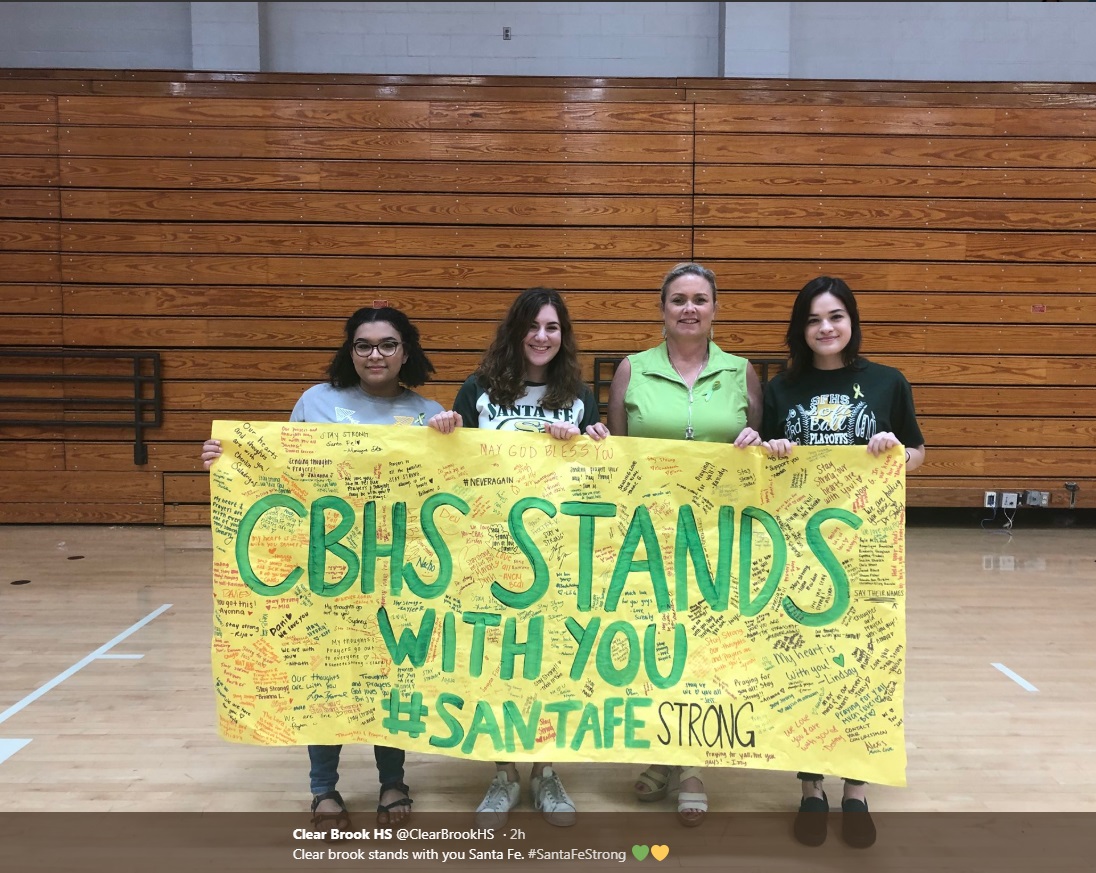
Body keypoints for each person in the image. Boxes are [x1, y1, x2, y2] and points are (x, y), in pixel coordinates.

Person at [201, 304, 443, 837]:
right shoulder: (316, 401)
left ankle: (392, 781)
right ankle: (323, 787)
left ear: (406, 351)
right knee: (325, 676)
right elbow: (281, 476)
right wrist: (228, 458)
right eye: (363, 345)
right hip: (325, 571)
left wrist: (453, 434)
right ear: (349, 350)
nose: (374, 354)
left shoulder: (429, 412)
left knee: (387, 677)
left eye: (386, 344)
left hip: (394, 573)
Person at [428, 286, 608, 829]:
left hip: (558, 557)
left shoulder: (577, 395)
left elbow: (599, 475)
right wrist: (442, 432)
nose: (541, 336)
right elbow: (449, 464)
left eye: (552, 328)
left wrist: (592, 440)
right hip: (489, 555)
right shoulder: (479, 390)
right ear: (515, 332)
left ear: (563, 336)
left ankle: (546, 772)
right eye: (532, 326)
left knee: (550, 663)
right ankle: (504, 774)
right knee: (497, 665)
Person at [760, 275, 925, 850]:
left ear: (851, 321)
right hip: (799, 551)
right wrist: (771, 450)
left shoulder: (887, 382)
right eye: (813, 319)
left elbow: (919, 452)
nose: (825, 328)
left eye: (835, 316)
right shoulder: (782, 388)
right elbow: (764, 467)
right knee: (804, 665)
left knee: (862, 665)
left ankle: (855, 790)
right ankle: (810, 788)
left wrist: (896, 453)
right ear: (800, 329)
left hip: (867, 550)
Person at [605, 261, 763, 827]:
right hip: (648, 537)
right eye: (678, 300)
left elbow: (762, 457)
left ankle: (691, 765)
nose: (689, 309)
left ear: (715, 309)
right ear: (662, 309)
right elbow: (614, 456)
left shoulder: (742, 372)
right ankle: (660, 752)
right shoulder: (632, 370)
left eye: (700, 299)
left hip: (719, 540)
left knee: (703, 651)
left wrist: (756, 441)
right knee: (656, 649)